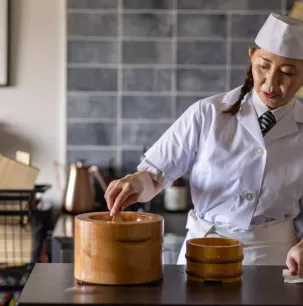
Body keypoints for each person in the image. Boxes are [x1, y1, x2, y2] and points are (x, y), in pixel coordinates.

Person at [104, 13, 303, 275]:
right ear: (252, 56)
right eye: (263, 66)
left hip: (273, 258)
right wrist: (134, 181)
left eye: (287, 73)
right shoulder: (207, 113)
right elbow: (154, 176)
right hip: (202, 250)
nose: (270, 82)